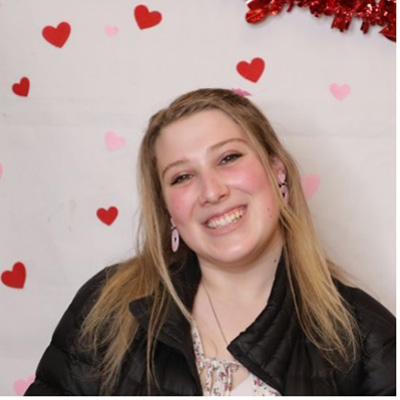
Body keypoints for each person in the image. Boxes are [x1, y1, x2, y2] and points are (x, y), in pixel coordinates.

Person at [25, 88, 395, 396]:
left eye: (229, 157)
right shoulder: (103, 306)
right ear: (168, 208)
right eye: (182, 176)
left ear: (277, 170)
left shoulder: (369, 340)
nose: (212, 191)